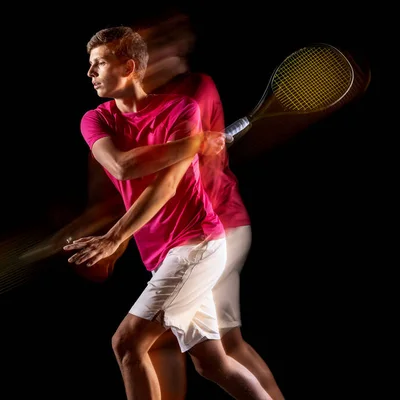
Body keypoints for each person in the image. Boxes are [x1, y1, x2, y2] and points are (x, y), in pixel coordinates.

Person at [63, 26, 272, 399]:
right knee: (213, 363)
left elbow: (166, 186)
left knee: (127, 344)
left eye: (99, 63)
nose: (90, 73)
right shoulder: (96, 119)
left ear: (128, 67)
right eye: (90, 64)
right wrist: (194, 143)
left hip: (198, 244)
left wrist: (114, 237)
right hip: (162, 256)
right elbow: (123, 166)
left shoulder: (181, 109)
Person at [140, 14, 285, 400]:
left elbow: (170, 170)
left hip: (216, 230)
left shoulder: (193, 89)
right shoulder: (137, 111)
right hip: (188, 239)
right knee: (168, 347)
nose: (140, 61)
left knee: (212, 347)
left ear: (175, 51)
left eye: (149, 49)